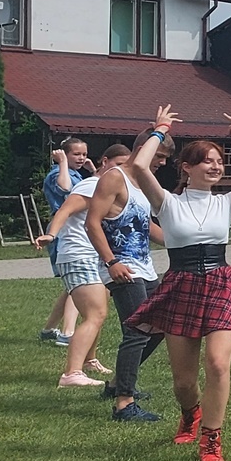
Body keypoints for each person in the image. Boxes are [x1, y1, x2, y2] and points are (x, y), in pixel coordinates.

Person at [124, 106, 231, 461]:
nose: (215, 166)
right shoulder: (166, 203)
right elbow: (139, 168)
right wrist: (159, 130)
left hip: (221, 284)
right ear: (187, 168)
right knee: (183, 382)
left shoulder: (227, 203)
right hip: (181, 285)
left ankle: (211, 438)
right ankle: (190, 412)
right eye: (206, 161)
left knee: (219, 365)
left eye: (219, 161)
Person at [87, 137, 172, 419]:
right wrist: (111, 262)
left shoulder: (142, 185)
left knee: (160, 327)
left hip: (144, 267)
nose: (162, 162)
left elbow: (145, 225)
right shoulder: (114, 178)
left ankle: (117, 385)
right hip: (120, 267)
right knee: (138, 330)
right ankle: (124, 403)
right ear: (141, 150)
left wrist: (183, 240)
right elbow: (92, 222)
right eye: (158, 155)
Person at [33, 146, 127, 388]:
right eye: (118, 163)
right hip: (78, 254)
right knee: (96, 313)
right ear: (105, 162)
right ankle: (71, 374)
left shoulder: (105, 185)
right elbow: (64, 209)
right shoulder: (91, 186)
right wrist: (51, 235)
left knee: (97, 313)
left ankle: (89, 360)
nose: (121, 169)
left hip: (94, 256)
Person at [38, 138, 90, 348]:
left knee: (71, 284)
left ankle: (49, 330)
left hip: (76, 230)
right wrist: (61, 164)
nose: (81, 158)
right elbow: (65, 187)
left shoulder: (77, 174)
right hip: (64, 232)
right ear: (64, 154)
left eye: (84, 154)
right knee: (76, 285)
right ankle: (67, 333)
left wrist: (92, 168)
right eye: (76, 154)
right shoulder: (57, 173)